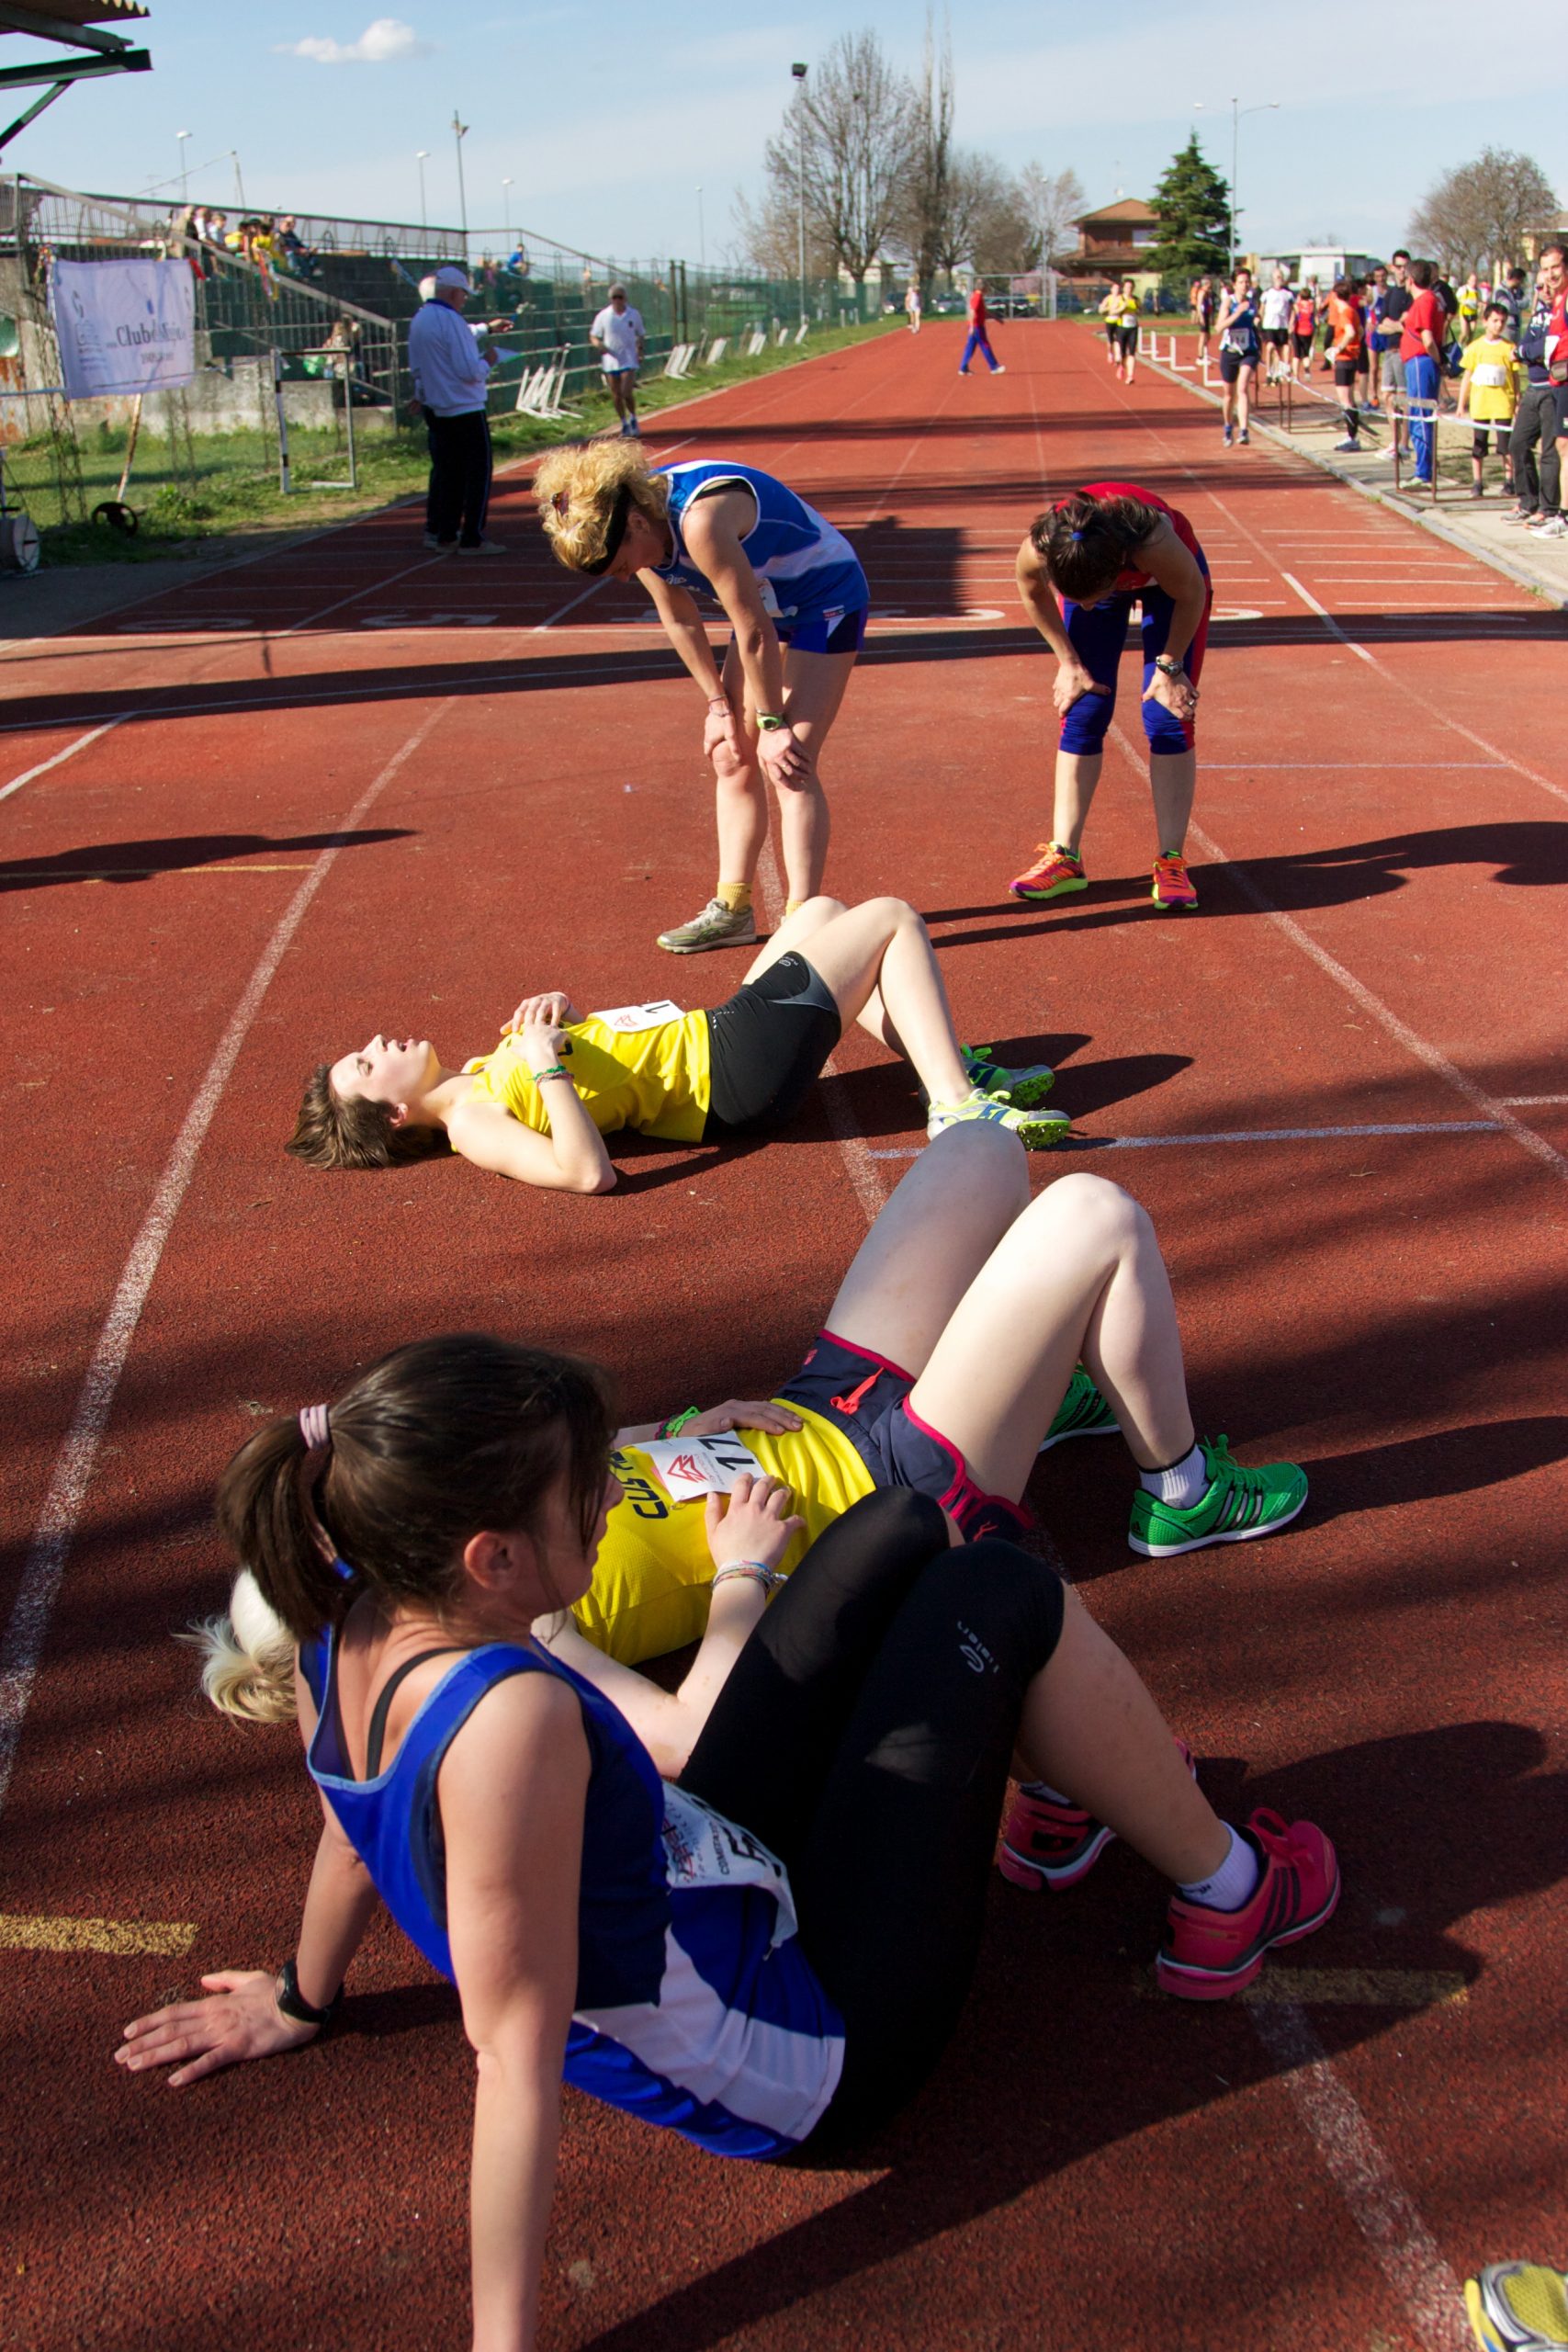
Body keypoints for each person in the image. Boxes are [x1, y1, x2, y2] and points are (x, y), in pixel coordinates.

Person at [118, 1317, 1336, 2352]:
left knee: (901, 1523)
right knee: (1000, 1588)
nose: (613, 1502)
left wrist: (301, 1995)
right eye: (584, 1493)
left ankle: (1072, 1784)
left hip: (710, 1864)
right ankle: (1227, 1891)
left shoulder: (347, 1622)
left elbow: (346, 1823)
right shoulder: (513, 1724)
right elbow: (511, 2058)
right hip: (815, 2045)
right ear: (490, 1558)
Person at [288, 894, 1070, 1192]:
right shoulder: (471, 1124)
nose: (377, 1042)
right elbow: (587, 1174)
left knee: (819, 912)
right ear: (392, 1114)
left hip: (714, 1036)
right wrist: (542, 1066)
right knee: (890, 917)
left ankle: (949, 1066)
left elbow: (605, 1063)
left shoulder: (486, 1072)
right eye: (366, 1063)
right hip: (729, 1074)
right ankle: (955, 1104)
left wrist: (562, 1017)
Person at [534, 442, 867, 953]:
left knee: (789, 762)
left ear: (639, 527)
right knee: (731, 755)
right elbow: (681, 617)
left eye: (622, 566)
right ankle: (732, 909)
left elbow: (751, 630)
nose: (625, 577)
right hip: (766, 603)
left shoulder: (700, 522)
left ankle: (806, 923)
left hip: (825, 599)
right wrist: (718, 706)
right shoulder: (631, 522)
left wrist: (774, 725)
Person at [1009, 481, 1212, 913]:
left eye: (1090, 599)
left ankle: (1171, 859)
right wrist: (1068, 661)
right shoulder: (1043, 547)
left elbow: (1191, 592)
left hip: (1172, 586)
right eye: (1073, 600)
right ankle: (1064, 857)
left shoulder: (1154, 540)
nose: (1081, 608)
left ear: (1116, 573)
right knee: (1084, 706)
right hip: (1094, 567)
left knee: (1167, 713)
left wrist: (1170, 667)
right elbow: (1031, 592)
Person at [407, 265, 504, 554]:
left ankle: (442, 531)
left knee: (447, 473)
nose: (465, 299)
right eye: (463, 294)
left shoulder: (420, 319)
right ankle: (472, 536)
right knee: (477, 472)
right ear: (452, 293)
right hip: (465, 407)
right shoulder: (452, 320)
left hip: (437, 408)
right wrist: (489, 360)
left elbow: (418, 367)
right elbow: (468, 370)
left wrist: (420, 395)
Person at [1506, 243, 1566, 539]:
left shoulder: (1563, 305)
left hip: (1555, 386)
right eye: (1541, 279)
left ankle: (1551, 508)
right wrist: (1525, 350)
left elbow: (1544, 349)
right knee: (1518, 444)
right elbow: (1530, 346)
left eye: (1554, 270)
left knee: (1554, 451)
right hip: (1539, 387)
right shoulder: (1543, 311)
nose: (1546, 284)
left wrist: (1525, 351)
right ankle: (1529, 501)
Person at [1458, 301, 1521, 499]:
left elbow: (1516, 376)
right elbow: (1467, 376)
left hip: (1503, 404)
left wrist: (1517, 402)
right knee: (1479, 446)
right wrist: (1461, 403)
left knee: (1506, 447)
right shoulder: (1475, 348)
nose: (1498, 325)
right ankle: (1477, 482)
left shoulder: (1509, 348)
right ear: (1485, 321)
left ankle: (1508, 481)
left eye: (1502, 321)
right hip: (1481, 404)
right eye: (1494, 321)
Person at [1400, 259, 1448, 486]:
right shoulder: (1432, 300)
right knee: (1419, 415)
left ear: (1411, 280)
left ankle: (1424, 471)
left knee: (1420, 416)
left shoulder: (1424, 301)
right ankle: (1424, 467)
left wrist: (1437, 360)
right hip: (1418, 361)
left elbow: (1427, 338)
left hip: (1421, 360)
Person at [589, 283, 646, 438]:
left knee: (626, 391)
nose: (618, 300)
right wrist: (598, 344)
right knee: (615, 394)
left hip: (628, 358)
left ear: (625, 298)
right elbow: (594, 335)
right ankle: (624, 422)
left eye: (620, 297)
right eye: (615, 297)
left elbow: (640, 334)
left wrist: (639, 351)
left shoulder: (633, 314)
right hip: (611, 360)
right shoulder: (604, 316)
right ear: (611, 299)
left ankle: (633, 417)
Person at [1325, 276, 1370, 450]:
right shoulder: (1352, 310)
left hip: (1345, 359)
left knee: (1345, 400)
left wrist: (1339, 348)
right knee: (1350, 398)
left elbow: (1351, 332)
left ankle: (1351, 436)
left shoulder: (1345, 313)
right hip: (1351, 358)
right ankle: (1352, 435)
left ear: (1335, 296)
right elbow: (1360, 330)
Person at [1376, 252, 1413, 454]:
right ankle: (1394, 441)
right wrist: (1396, 325)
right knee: (1388, 396)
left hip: (1403, 350)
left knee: (1402, 397)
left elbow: (1408, 326)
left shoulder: (1410, 293)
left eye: (1405, 266)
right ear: (1392, 267)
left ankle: (1404, 444)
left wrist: (1398, 325)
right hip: (1389, 351)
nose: (1401, 270)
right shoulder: (1390, 293)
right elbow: (1381, 325)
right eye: (1398, 266)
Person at [959, 280, 1004, 375]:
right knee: (985, 345)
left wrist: (996, 318)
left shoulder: (977, 296)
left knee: (970, 347)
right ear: (983, 288)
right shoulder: (977, 297)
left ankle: (963, 368)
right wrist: (971, 326)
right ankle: (994, 366)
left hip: (976, 326)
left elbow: (983, 311)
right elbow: (972, 311)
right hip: (977, 326)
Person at [1260, 266, 1294, 383]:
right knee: (1270, 347)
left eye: (1281, 277)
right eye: (1277, 277)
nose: (1279, 279)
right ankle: (1268, 371)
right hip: (1269, 325)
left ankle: (1276, 372)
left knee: (1280, 350)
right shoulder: (1267, 293)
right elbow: (1262, 309)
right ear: (1273, 278)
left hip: (1282, 325)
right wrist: (1259, 320)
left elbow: (1292, 310)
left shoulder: (1288, 294)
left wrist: (1291, 323)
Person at [1289, 279, 1317, 387]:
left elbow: (1293, 317)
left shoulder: (1297, 305)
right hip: (1308, 331)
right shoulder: (1312, 305)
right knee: (1305, 353)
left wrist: (1290, 327)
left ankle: (1296, 376)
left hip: (1298, 330)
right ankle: (1306, 370)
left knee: (1296, 354)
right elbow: (1315, 318)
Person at [1113, 277, 1141, 383]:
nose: (1129, 289)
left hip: (1133, 328)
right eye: (1127, 287)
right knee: (1122, 353)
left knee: (1132, 353)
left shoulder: (1136, 300)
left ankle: (1130, 376)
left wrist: (1137, 311)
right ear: (1123, 288)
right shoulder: (1119, 299)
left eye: (1131, 287)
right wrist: (1122, 308)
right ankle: (1121, 366)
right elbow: (1112, 311)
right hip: (1121, 328)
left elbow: (1141, 312)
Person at [1100, 279, 1125, 368]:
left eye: (1118, 289)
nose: (1117, 291)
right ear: (1112, 290)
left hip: (1119, 321)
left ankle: (1118, 357)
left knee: (1118, 339)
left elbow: (1124, 307)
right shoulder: (1108, 298)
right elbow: (1101, 309)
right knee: (1111, 341)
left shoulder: (1121, 298)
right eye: (1115, 289)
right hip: (1110, 321)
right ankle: (1110, 353)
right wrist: (1107, 309)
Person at [1190, 276, 1216, 363]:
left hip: (1207, 315)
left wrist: (1212, 317)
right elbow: (1199, 305)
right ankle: (1200, 357)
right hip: (1203, 315)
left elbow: (1211, 305)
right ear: (1206, 283)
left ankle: (1204, 351)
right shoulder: (1202, 292)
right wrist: (1200, 316)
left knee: (1208, 336)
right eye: (1210, 282)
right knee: (1203, 336)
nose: (1211, 284)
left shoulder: (1208, 293)